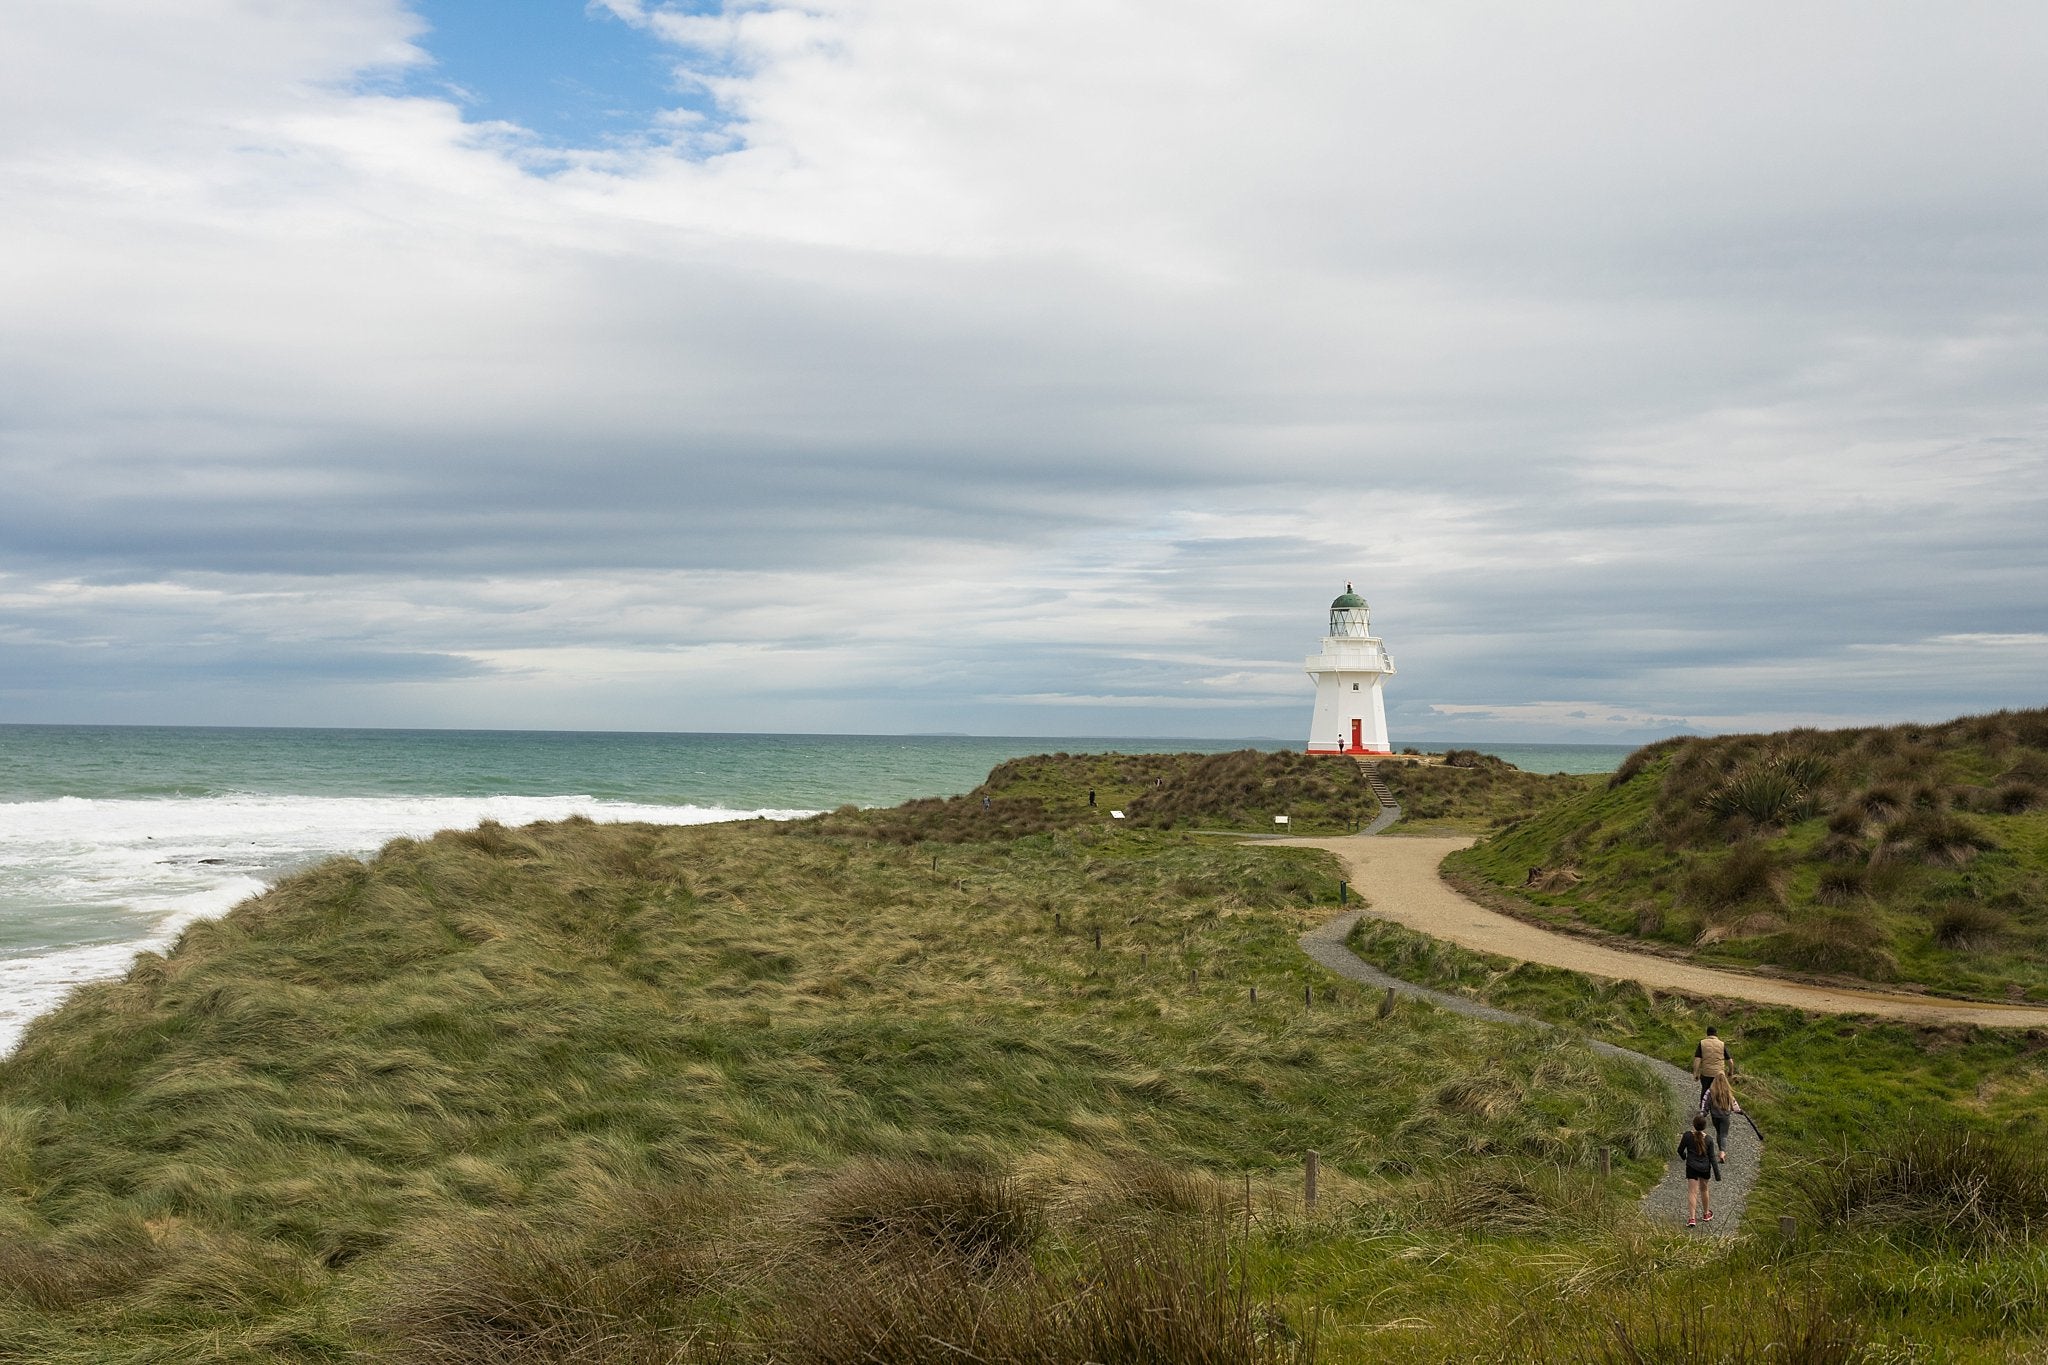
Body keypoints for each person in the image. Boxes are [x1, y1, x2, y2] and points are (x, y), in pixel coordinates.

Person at [1680, 1114, 1719, 1227]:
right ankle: (1706, 1214)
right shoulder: (1709, 1139)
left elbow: (1680, 1150)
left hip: (1691, 1167)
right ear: (1705, 1126)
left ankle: (1692, 1218)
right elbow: (1712, 1158)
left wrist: (1684, 1156)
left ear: (1693, 1124)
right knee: (1704, 1190)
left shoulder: (1687, 1136)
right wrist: (1717, 1174)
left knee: (1692, 1192)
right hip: (1705, 1168)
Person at [1692, 1025, 1731, 1101]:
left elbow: (1697, 1060)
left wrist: (1695, 1073)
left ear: (1707, 1033)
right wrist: (1730, 1072)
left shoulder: (1702, 1043)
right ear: (1716, 1033)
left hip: (1706, 1073)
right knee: (1720, 1091)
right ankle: (1719, 1106)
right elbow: (1730, 1061)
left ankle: (1703, 1106)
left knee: (1705, 1090)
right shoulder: (1722, 1044)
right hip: (1719, 1074)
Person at [1705, 1073, 1735, 1162]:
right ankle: (1722, 1152)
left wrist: (1704, 1112)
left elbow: (1705, 1102)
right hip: (1725, 1117)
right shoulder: (1727, 1091)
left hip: (1715, 1116)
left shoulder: (1710, 1091)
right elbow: (1733, 1103)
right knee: (1724, 1135)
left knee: (1718, 1133)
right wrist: (1739, 1111)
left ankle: (1720, 1150)